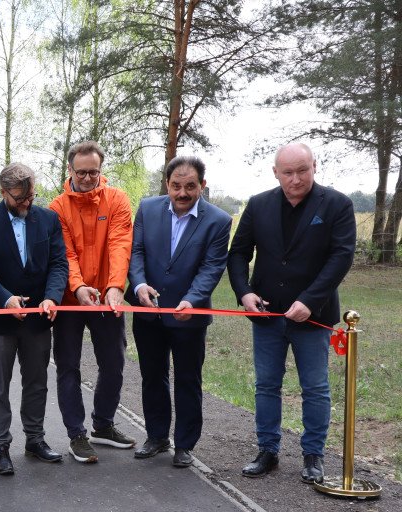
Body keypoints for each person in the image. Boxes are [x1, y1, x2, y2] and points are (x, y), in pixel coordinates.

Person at [228, 143, 356, 484]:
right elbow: (238, 252)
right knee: (266, 385)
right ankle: (267, 451)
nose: (296, 179)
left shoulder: (338, 205)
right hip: (267, 314)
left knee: (315, 387)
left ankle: (313, 456)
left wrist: (310, 300)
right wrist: (244, 292)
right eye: (288, 172)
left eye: (302, 170)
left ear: (314, 166)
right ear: (275, 173)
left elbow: (341, 257)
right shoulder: (258, 205)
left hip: (313, 317)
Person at [126, 157, 232, 467]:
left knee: (188, 379)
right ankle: (157, 436)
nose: (182, 193)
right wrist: (139, 284)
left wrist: (193, 299)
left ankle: (185, 444)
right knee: (152, 376)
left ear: (202, 185)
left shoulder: (218, 220)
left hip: (189, 314)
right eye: (175, 186)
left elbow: (212, 267)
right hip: (148, 312)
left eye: (190, 186)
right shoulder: (147, 208)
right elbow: (137, 251)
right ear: (167, 184)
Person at [0, 162, 68, 475]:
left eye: (30, 197)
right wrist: (5, 298)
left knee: (37, 383)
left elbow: (58, 264)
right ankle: (0, 446)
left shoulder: (49, 219)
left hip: (39, 318)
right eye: (18, 199)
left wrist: (52, 296)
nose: (25, 203)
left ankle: (35, 440)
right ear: (3, 193)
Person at [48, 141, 135, 463]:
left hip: (107, 299)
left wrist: (115, 287)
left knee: (114, 362)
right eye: (81, 172)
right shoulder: (56, 207)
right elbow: (65, 253)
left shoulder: (117, 200)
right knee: (68, 366)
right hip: (71, 299)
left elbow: (119, 243)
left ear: (102, 171)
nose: (87, 178)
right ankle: (76, 434)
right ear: (69, 170)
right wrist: (78, 286)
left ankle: (103, 425)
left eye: (93, 172)